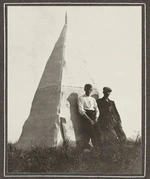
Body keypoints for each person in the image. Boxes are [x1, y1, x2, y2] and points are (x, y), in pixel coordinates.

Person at [78, 84, 100, 150]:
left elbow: (97, 109)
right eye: (87, 89)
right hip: (86, 117)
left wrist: (96, 118)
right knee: (88, 133)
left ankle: (96, 148)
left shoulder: (93, 99)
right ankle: (86, 149)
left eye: (90, 89)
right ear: (85, 89)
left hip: (93, 116)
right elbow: (81, 110)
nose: (89, 91)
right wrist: (89, 120)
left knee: (96, 133)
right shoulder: (81, 98)